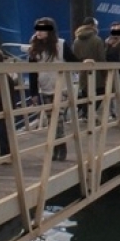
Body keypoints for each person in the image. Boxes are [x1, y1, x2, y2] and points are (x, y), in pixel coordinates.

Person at [27, 16, 77, 161]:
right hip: (45, 87)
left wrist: (86, 63)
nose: (40, 32)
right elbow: (32, 73)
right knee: (51, 119)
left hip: (60, 87)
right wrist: (34, 93)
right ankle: (57, 148)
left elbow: (73, 59)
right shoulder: (34, 49)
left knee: (58, 118)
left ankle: (61, 148)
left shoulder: (60, 44)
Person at [72, 16, 106, 119]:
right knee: (101, 92)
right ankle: (88, 113)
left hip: (83, 70)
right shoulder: (97, 40)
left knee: (85, 93)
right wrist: (105, 72)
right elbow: (101, 57)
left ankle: (84, 113)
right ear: (92, 26)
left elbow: (75, 56)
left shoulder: (77, 40)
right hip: (97, 71)